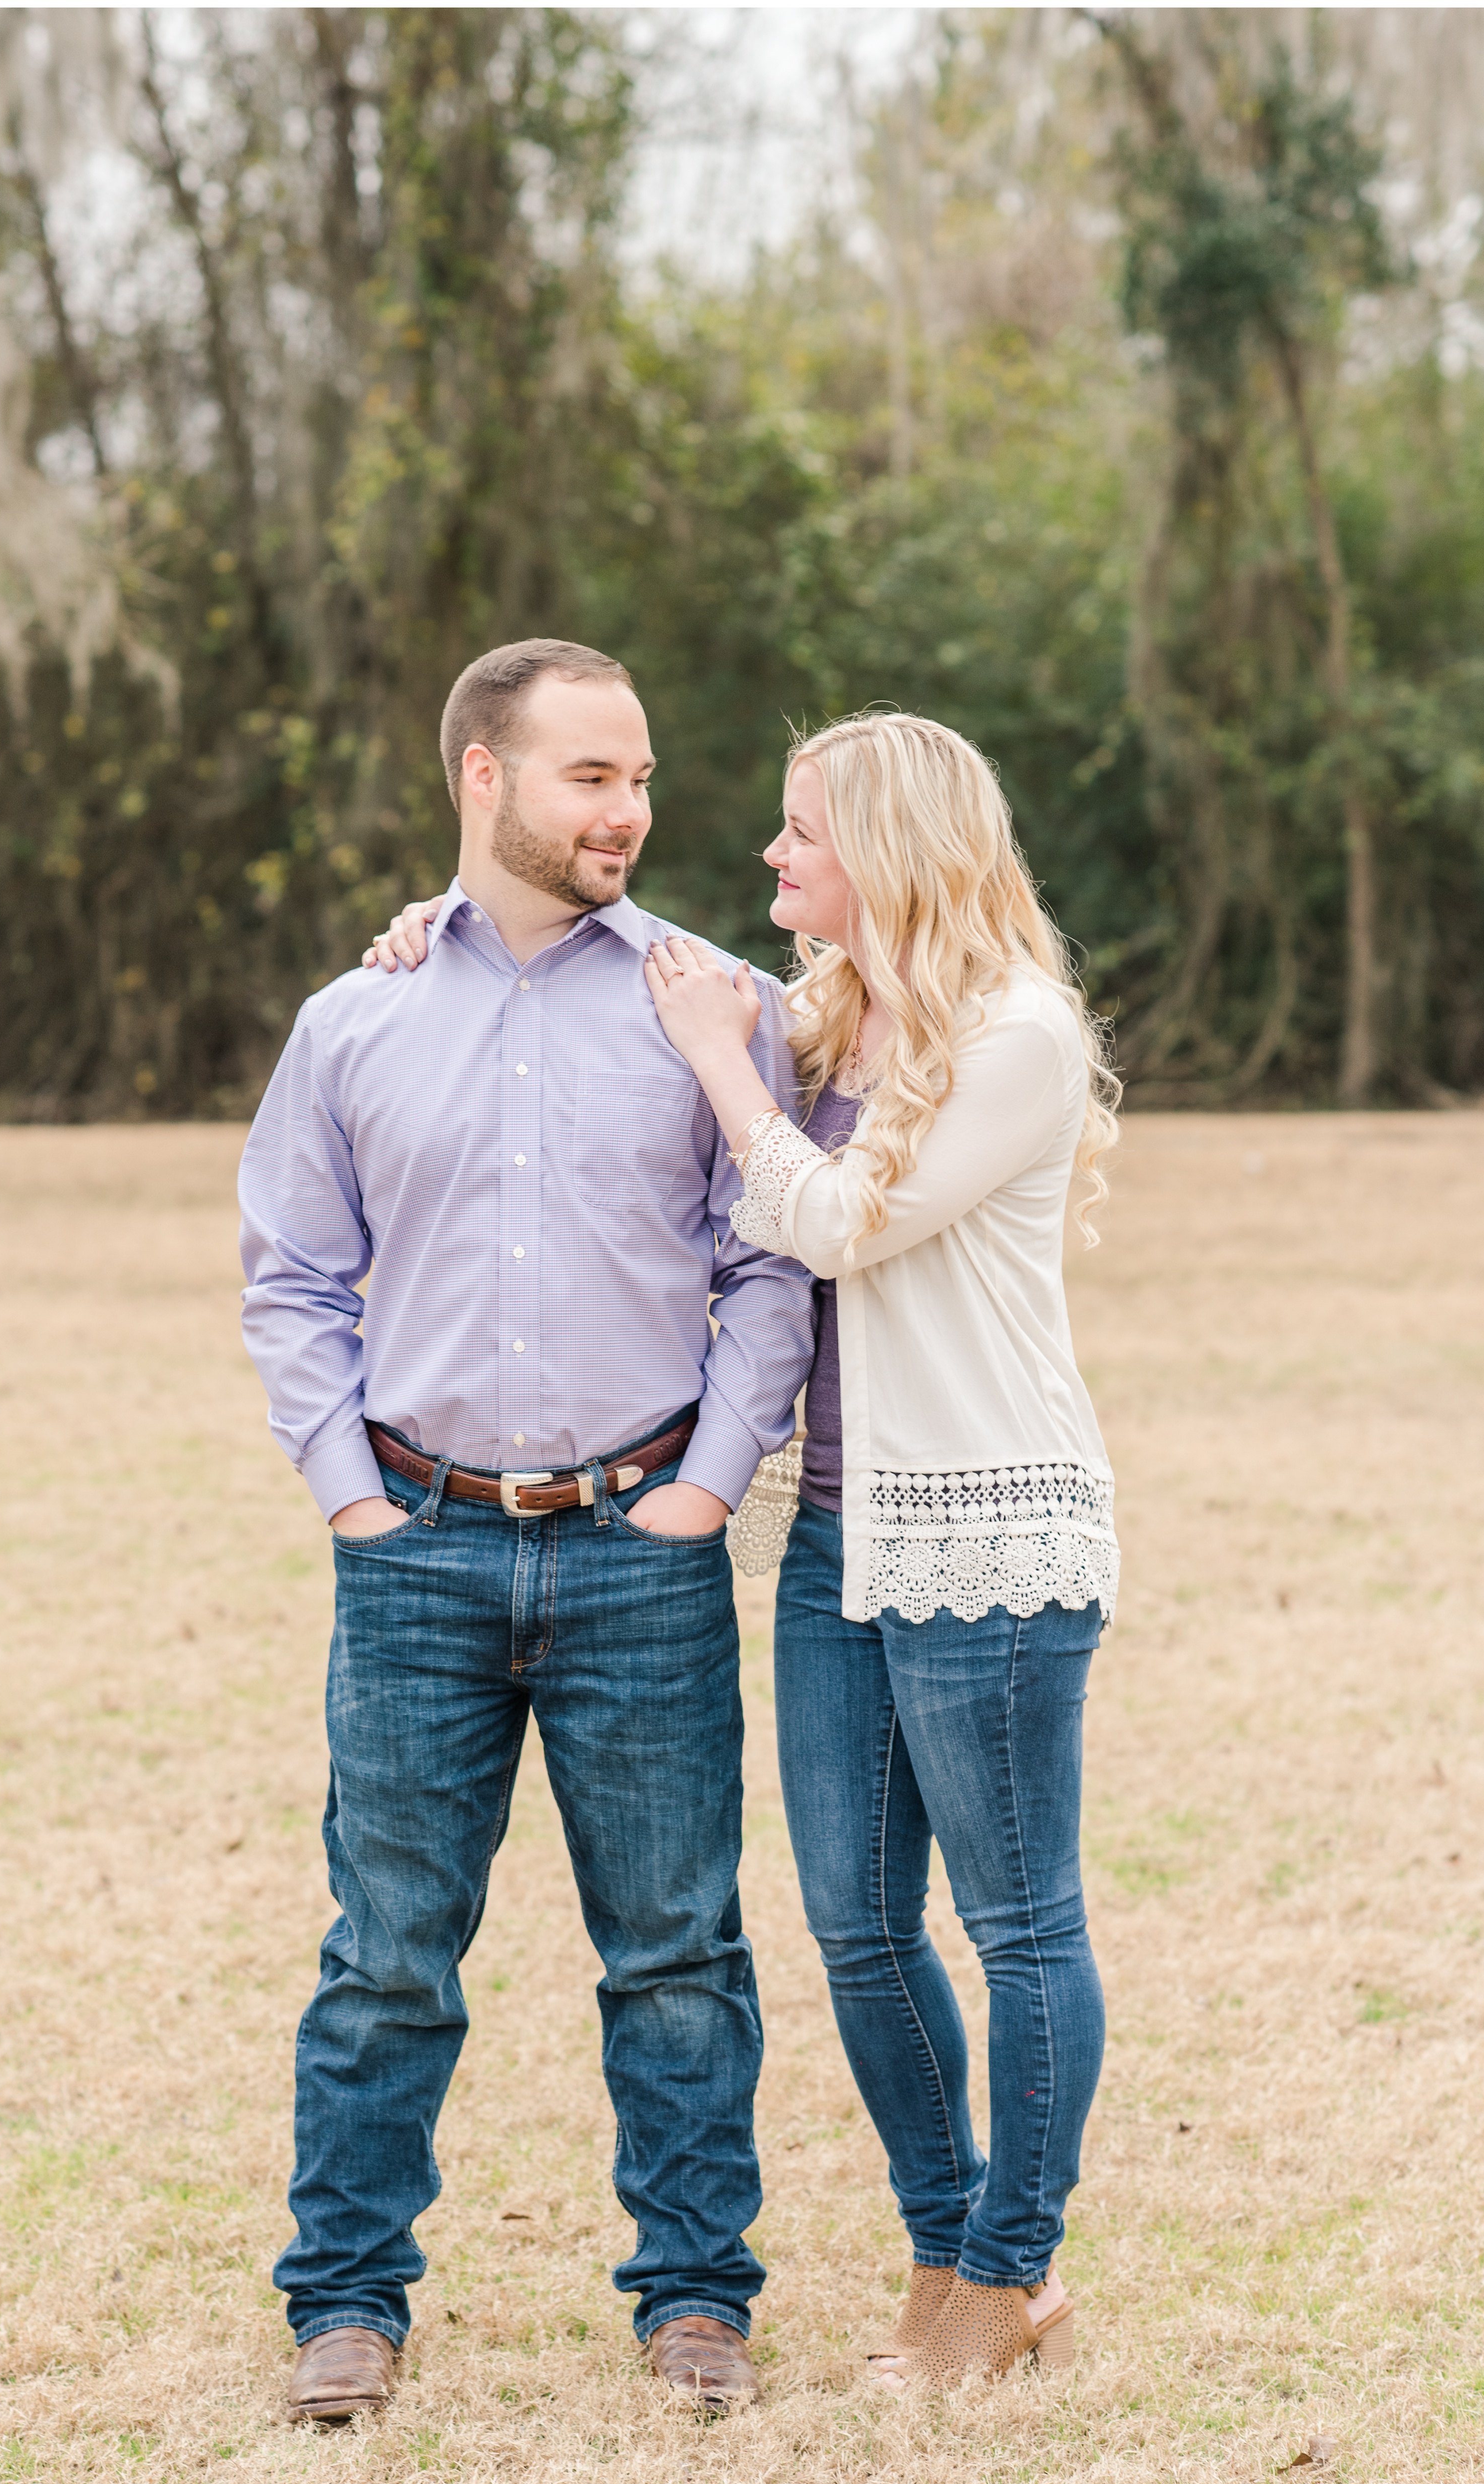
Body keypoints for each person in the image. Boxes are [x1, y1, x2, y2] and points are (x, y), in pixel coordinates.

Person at [374, 710, 1120, 2390]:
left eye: (802, 833)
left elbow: (841, 1217)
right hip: (839, 1539)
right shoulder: (835, 1013)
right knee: (856, 1924)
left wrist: (726, 1061)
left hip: (991, 1534)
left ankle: (1009, 2270)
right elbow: (584, 1010)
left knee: (1016, 1925)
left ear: (891, 848)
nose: (769, 857)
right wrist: (440, 940)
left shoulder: (1015, 1033)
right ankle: (951, 2257)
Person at [236, 639, 815, 2424]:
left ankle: (696, 2300)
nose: (630, 811)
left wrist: (704, 1489)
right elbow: (292, 1276)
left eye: (640, 778)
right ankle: (345, 2302)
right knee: (386, 1953)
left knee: (677, 1950)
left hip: (641, 1547)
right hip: (412, 1543)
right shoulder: (359, 1017)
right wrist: (347, 1487)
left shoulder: (710, 1003)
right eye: (589, 778)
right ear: (482, 778)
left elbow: (771, 1267)